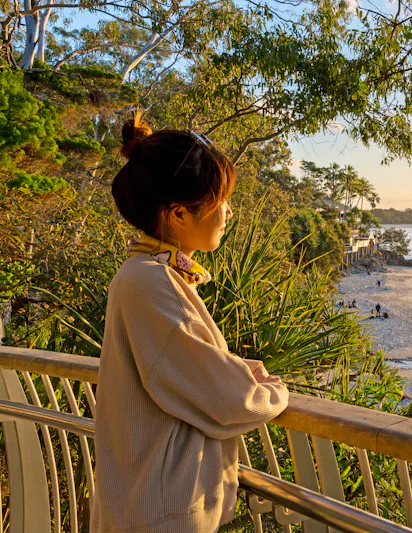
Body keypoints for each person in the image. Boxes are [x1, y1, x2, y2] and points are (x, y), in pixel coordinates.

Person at [91, 115, 289, 533]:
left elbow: (187, 367)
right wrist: (274, 390)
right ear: (178, 214)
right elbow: (230, 399)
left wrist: (240, 370)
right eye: (221, 201)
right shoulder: (149, 282)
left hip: (149, 504)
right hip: (161, 513)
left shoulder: (146, 273)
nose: (230, 213)